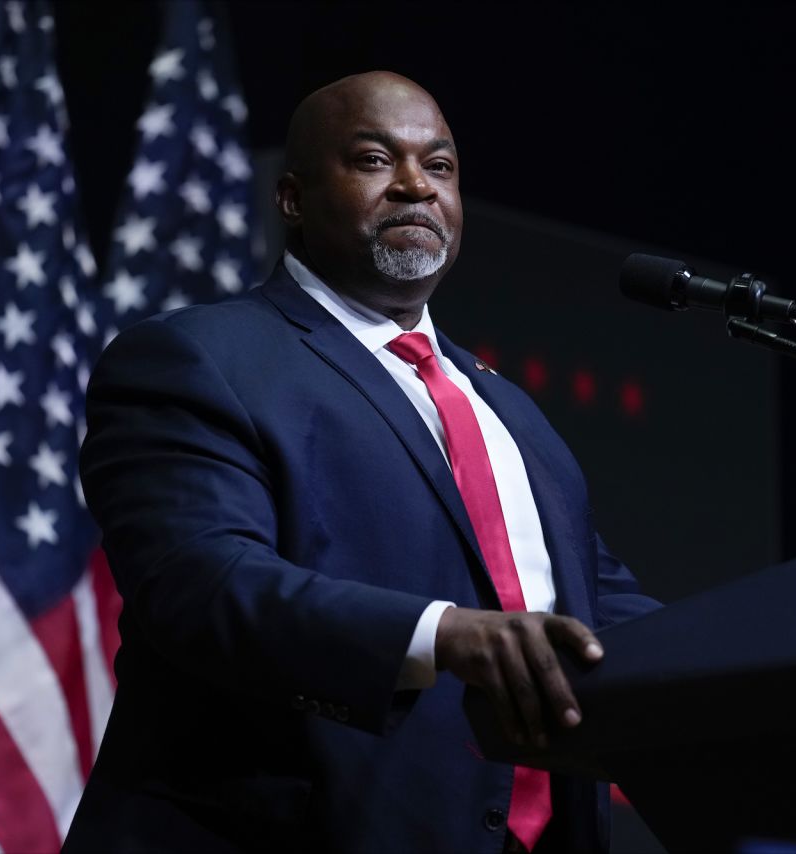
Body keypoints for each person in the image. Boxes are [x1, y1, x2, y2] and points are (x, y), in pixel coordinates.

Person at [63, 71, 659, 854]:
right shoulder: (197, 359)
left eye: (439, 167)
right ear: (291, 199)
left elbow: (597, 604)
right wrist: (441, 635)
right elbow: (202, 587)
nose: (415, 185)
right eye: (376, 160)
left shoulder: (503, 407)